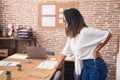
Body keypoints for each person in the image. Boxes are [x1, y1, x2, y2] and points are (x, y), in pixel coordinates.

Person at [62, 8, 112, 80]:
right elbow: (65, 51)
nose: (64, 24)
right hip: (86, 65)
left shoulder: (85, 32)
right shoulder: (72, 35)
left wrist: (96, 50)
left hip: (95, 65)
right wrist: (55, 66)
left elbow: (108, 35)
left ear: (72, 21)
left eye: (65, 21)